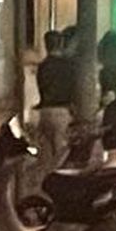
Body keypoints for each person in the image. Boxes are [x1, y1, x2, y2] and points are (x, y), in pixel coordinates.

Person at [32, 29, 75, 178]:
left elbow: (41, 87)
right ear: (60, 44)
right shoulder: (67, 66)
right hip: (61, 110)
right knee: (61, 152)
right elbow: (72, 89)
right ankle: (57, 180)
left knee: (45, 152)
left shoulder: (43, 66)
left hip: (44, 111)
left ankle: (43, 179)